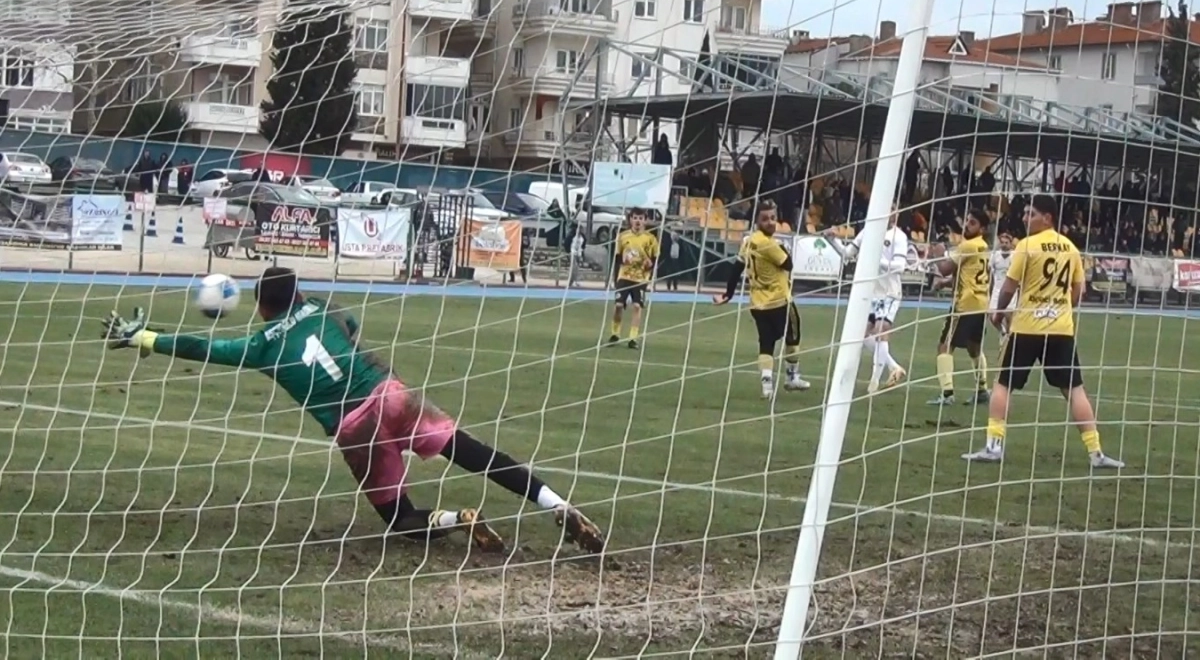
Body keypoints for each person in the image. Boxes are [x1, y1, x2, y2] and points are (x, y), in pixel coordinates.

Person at [100, 267, 606, 553]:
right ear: (299, 294)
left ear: (260, 307)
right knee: (469, 450)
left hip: (354, 429)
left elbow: (203, 348)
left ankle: (458, 517)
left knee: (398, 518)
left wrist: (145, 337)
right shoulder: (323, 308)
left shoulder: (259, 346)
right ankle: (555, 504)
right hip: (389, 394)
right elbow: (352, 325)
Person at [962, 195, 1123, 468]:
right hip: (1060, 329)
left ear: (1047, 217)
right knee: (1074, 389)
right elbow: (1078, 291)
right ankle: (1095, 452)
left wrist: (998, 312)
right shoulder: (1070, 248)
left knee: (1003, 384)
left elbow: (1009, 287)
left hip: (1027, 327)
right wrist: (1059, 307)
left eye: (1031, 214)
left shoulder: (1027, 245)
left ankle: (993, 446)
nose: (1025, 218)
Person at [713, 200, 811, 399]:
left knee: (766, 343)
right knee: (793, 338)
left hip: (758, 303)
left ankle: (767, 386)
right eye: (765, 219)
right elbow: (788, 264)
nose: (771, 222)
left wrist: (728, 293)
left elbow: (737, 268)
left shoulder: (748, 241)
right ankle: (792, 377)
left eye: (773, 218)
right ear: (756, 221)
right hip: (780, 300)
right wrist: (782, 247)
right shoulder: (769, 244)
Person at [825, 206, 913, 394]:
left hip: (889, 292)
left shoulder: (899, 237)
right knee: (861, 335)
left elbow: (899, 266)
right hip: (870, 292)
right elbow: (847, 254)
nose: (893, 215)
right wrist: (832, 240)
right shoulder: (867, 231)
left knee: (881, 330)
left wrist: (873, 260)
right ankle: (894, 367)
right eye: (889, 210)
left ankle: (874, 382)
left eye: (895, 211)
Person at [926, 209, 991, 406]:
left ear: (982, 228)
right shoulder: (984, 247)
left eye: (972, 223)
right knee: (974, 347)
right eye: (967, 221)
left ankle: (947, 394)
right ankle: (982, 390)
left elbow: (945, 269)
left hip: (964, 305)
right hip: (981, 304)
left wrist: (938, 254)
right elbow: (968, 275)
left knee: (945, 346)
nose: (967, 225)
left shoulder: (967, 245)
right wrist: (945, 284)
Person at [608, 208, 659, 349]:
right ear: (630, 219)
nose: (638, 221)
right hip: (624, 276)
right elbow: (617, 259)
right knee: (618, 306)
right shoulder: (623, 236)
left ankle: (633, 338)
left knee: (637, 306)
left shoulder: (651, 239)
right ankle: (615, 334)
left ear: (645, 221)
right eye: (635, 218)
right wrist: (617, 274)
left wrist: (649, 265)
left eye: (641, 218)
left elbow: (655, 260)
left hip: (640, 279)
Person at [989, 229, 1016, 333]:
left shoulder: (1015, 256)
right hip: (997, 289)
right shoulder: (995, 255)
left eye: (1006, 243)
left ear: (1010, 244)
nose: (1004, 245)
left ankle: (1008, 336)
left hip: (1010, 289)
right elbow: (990, 272)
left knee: (1009, 317)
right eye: (1002, 242)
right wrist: (990, 289)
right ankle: (1003, 332)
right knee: (992, 317)